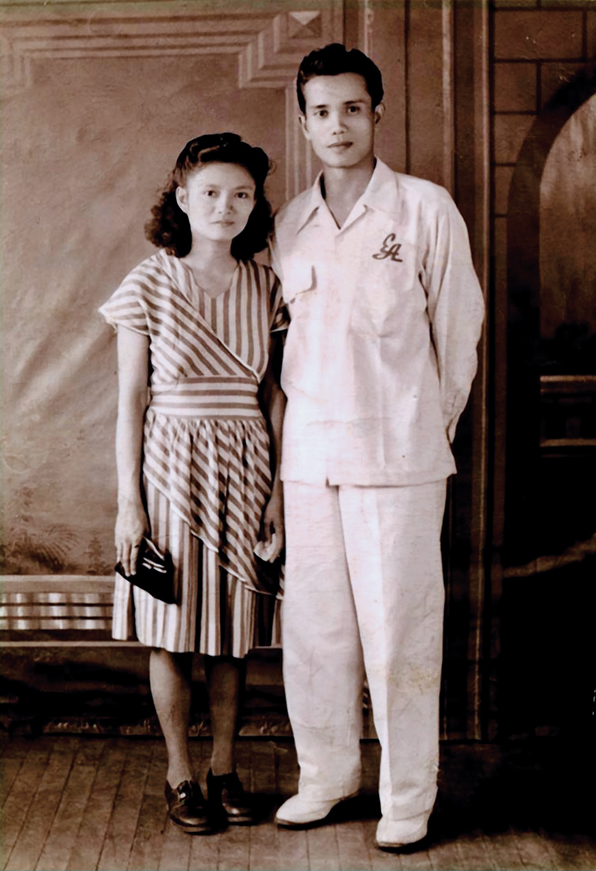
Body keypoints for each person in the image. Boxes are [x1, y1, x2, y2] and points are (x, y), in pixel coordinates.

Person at [270, 44, 484, 850]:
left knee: (399, 631)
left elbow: (458, 333)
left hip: (399, 458)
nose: (338, 125)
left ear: (378, 112)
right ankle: (325, 776)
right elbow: (285, 354)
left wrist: (424, 427)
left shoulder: (425, 209)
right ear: (303, 122)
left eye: (352, 108)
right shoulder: (288, 223)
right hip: (311, 460)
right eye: (321, 112)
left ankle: (406, 795)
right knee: (318, 628)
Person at [99, 133, 287, 834]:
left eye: (241, 194)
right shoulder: (147, 282)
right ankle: (181, 774)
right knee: (173, 629)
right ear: (182, 198)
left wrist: (276, 492)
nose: (226, 206)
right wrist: (130, 504)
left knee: (232, 633)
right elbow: (130, 403)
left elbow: (275, 395)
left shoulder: (268, 284)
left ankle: (226, 767)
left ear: (255, 203)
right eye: (210, 192)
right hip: (170, 467)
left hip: (247, 465)